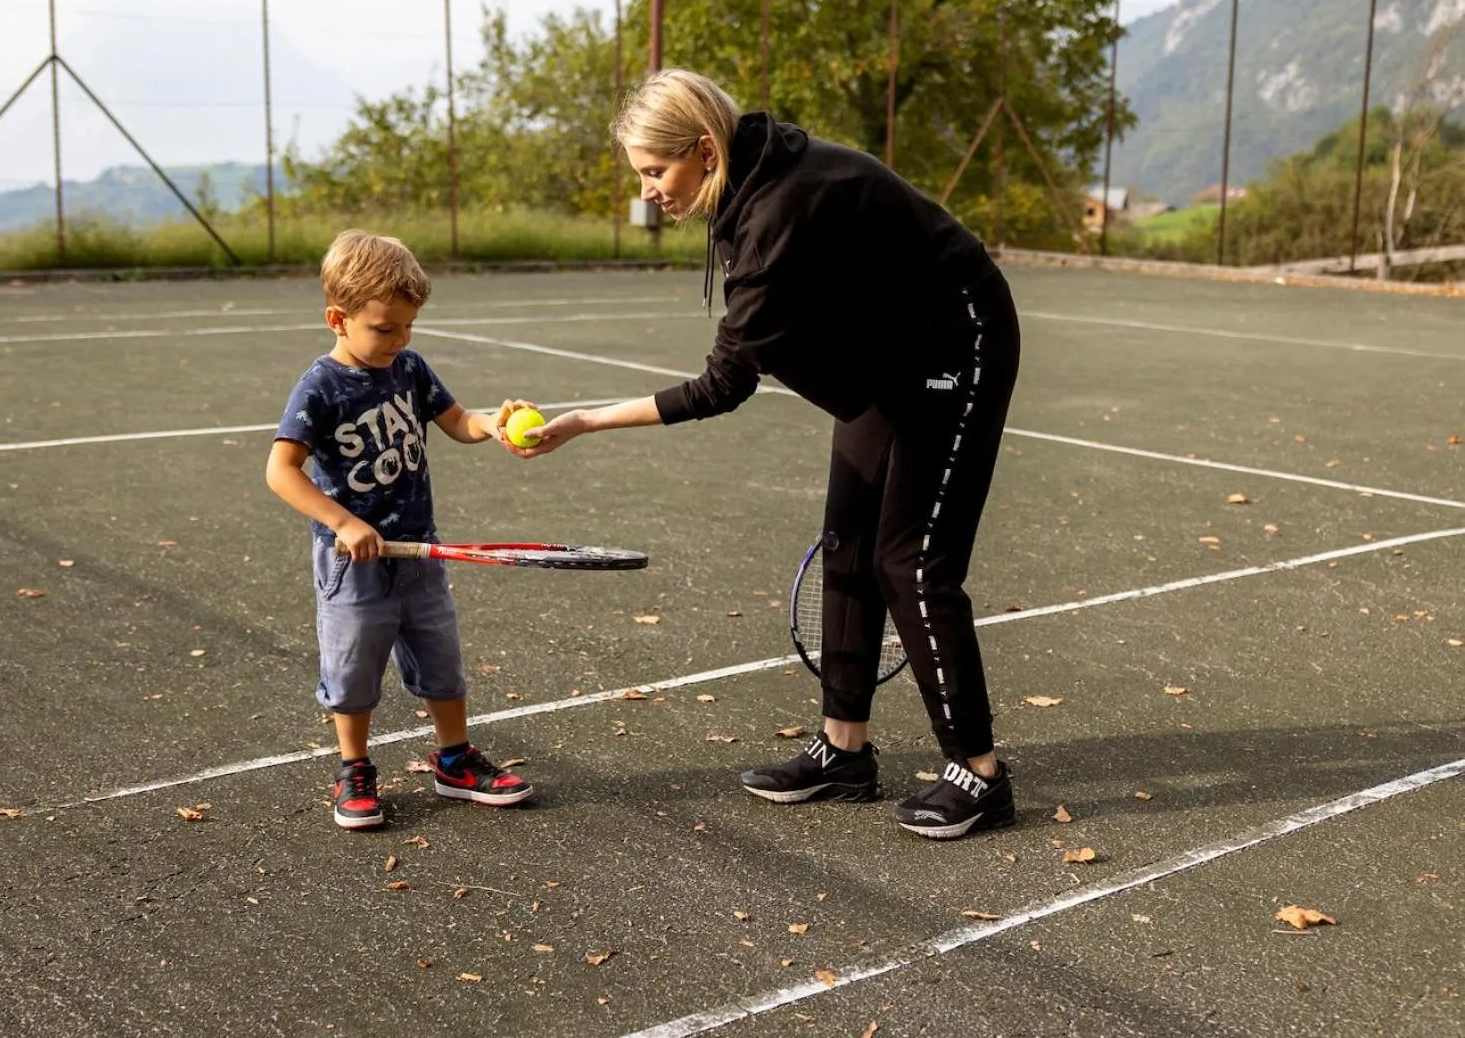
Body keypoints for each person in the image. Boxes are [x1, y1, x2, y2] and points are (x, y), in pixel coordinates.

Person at [518, 70, 1022, 840]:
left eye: (657, 171)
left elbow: (722, 384)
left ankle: (978, 772)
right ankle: (843, 751)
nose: (650, 190)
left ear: (704, 151)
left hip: (960, 336)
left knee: (910, 562)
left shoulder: (778, 208)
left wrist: (584, 421)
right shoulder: (751, 186)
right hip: (889, 349)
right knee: (848, 544)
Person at [265, 230, 534, 830]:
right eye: (384, 329)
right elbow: (281, 471)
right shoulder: (321, 388)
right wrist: (342, 521)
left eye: (408, 327)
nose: (399, 340)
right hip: (352, 562)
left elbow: (456, 420)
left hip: (420, 549)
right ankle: (355, 768)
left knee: (441, 658)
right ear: (338, 318)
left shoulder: (408, 368)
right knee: (353, 669)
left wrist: (492, 423)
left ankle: (455, 760)